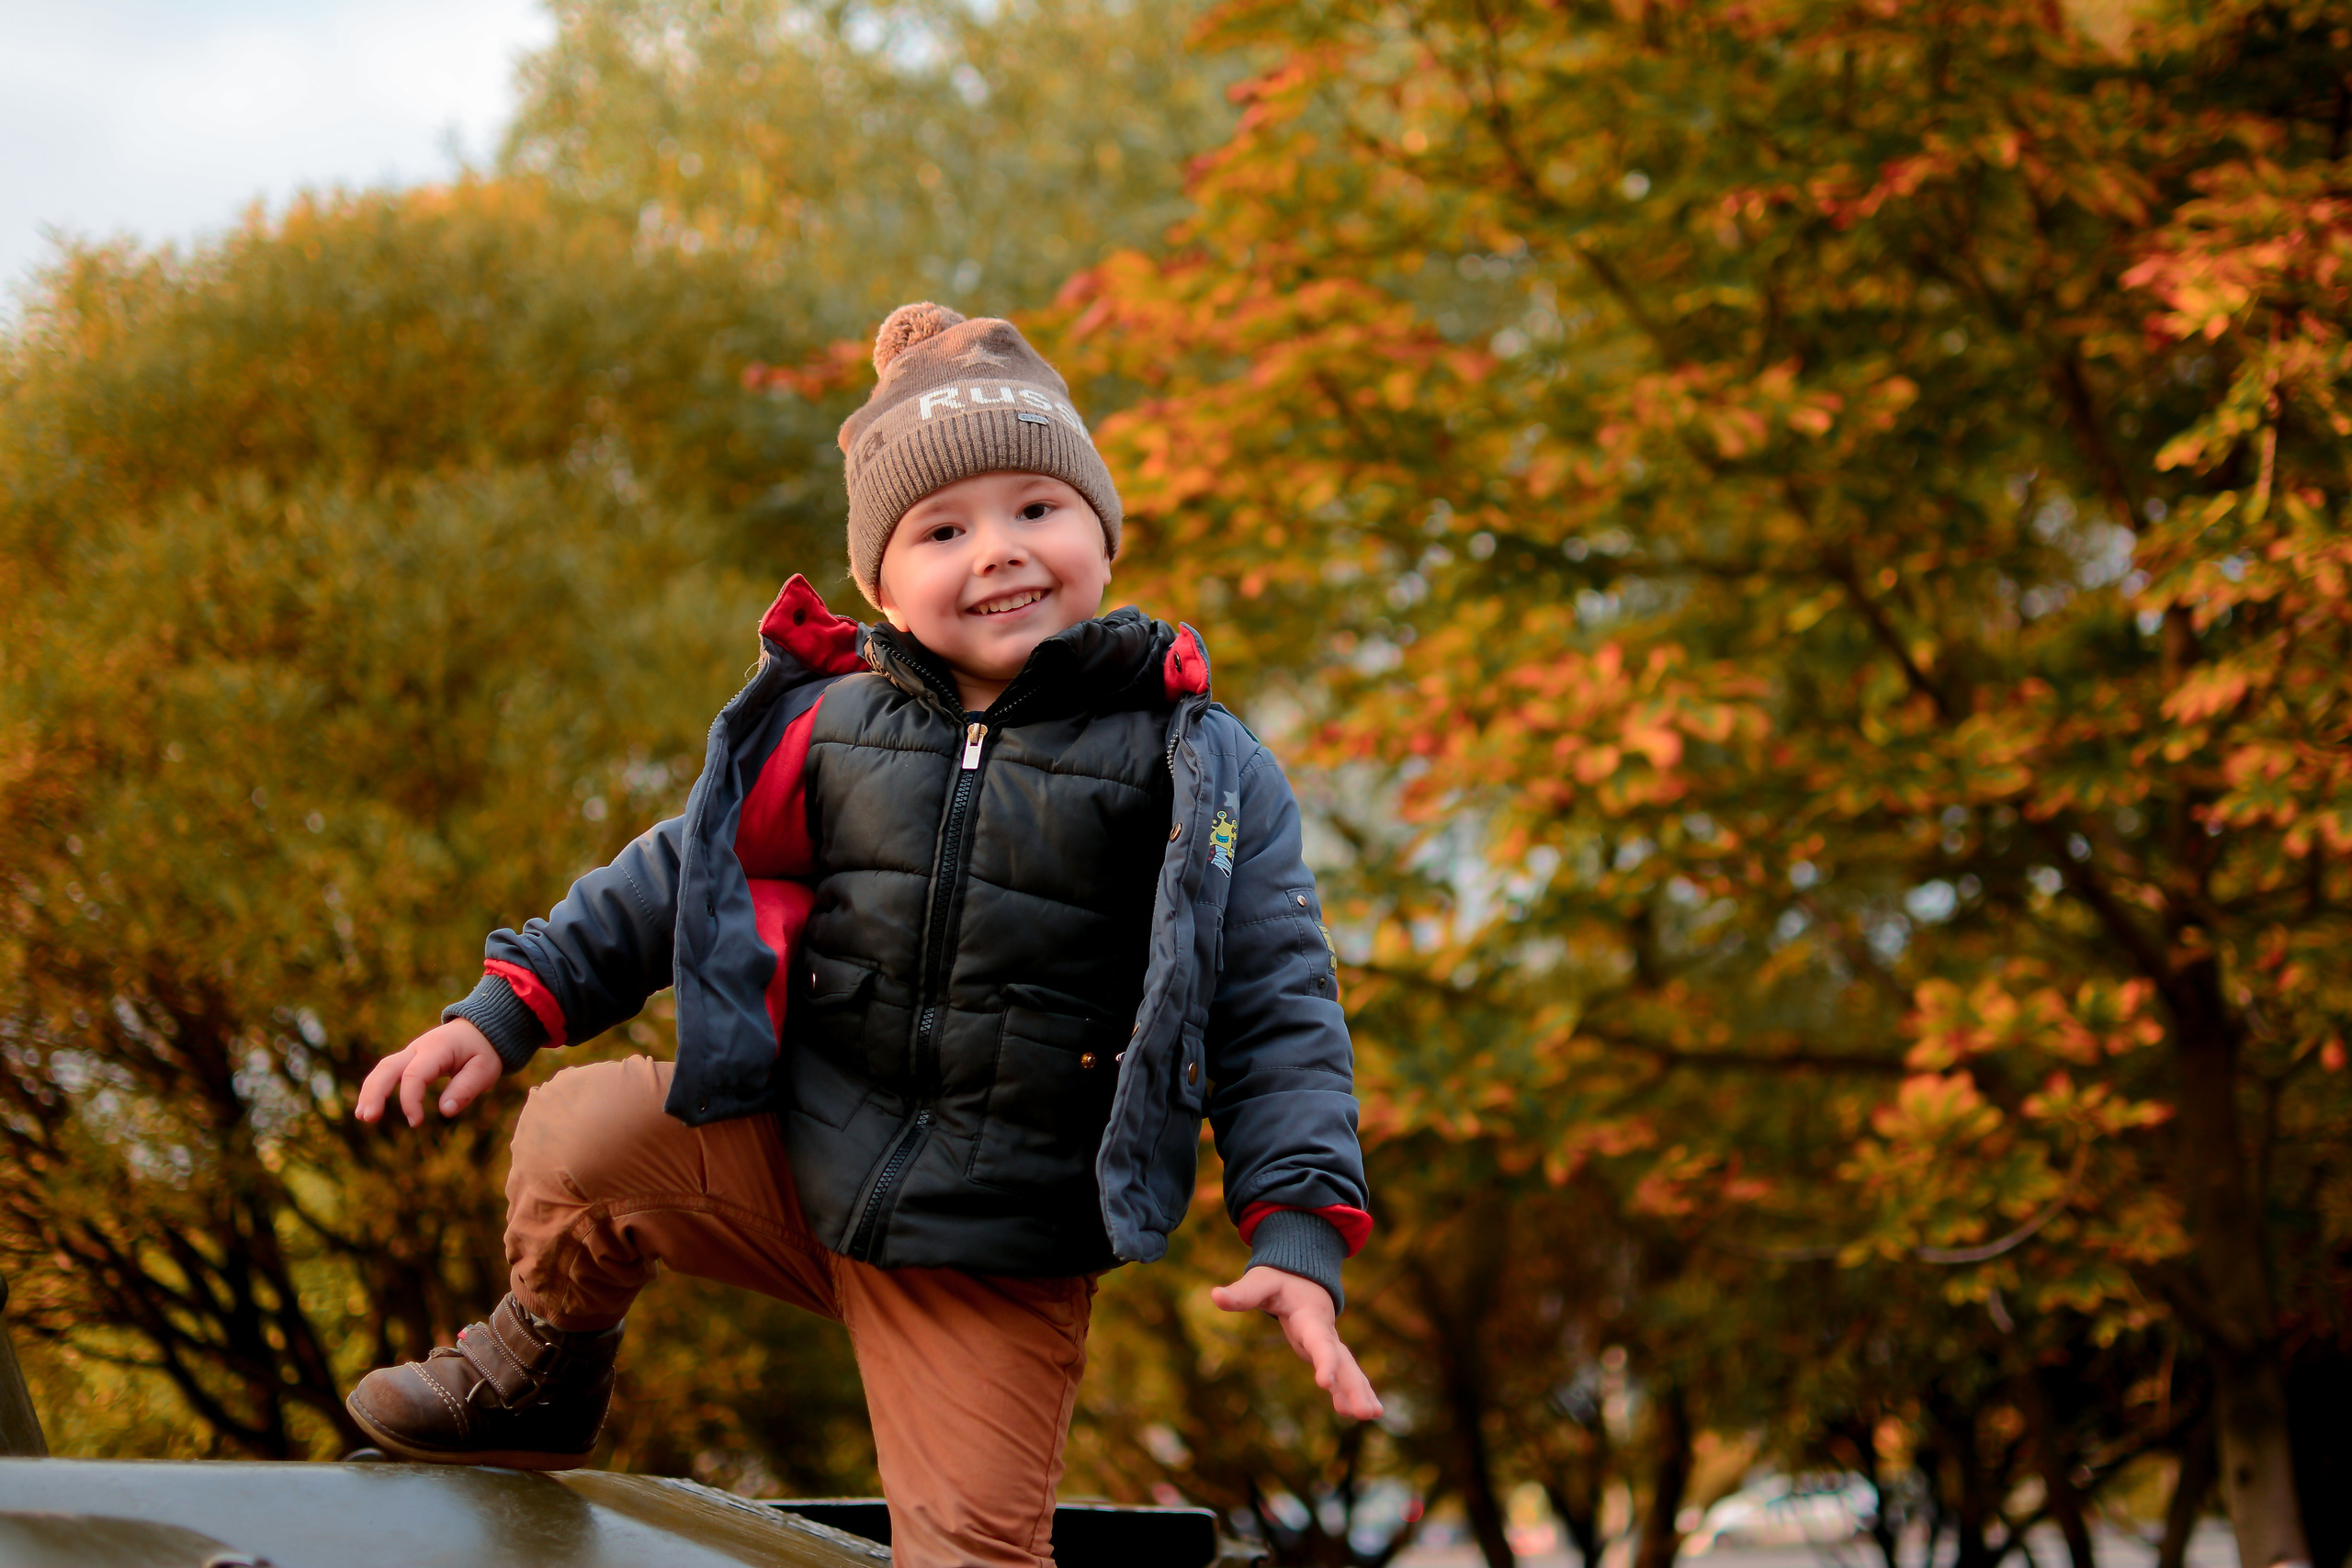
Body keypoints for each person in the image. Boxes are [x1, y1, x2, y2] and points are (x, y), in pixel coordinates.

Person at [344, 303, 1377, 1568]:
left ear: (1104, 538)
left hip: (989, 1253)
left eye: (1037, 508)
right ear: (882, 586)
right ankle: (537, 1376)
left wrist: (1298, 1230)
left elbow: (1277, 1004)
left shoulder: (1190, 764)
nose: (999, 550)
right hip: (798, 1162)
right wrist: (505, 1009)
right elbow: (677, 876)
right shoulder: (827, 727)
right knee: (583, 1134)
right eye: (945, 530)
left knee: (972, 1558)